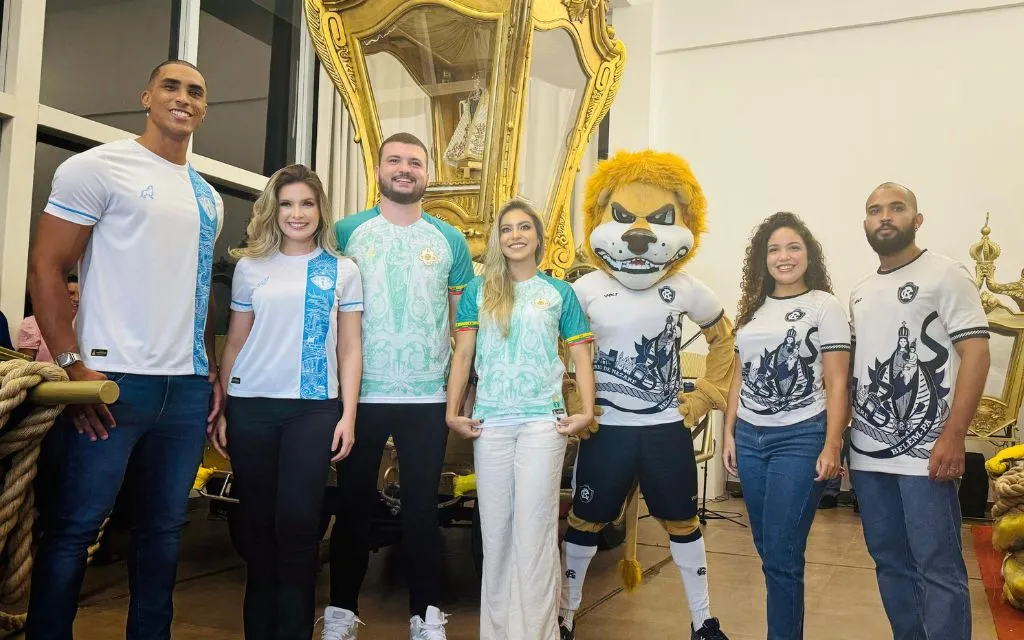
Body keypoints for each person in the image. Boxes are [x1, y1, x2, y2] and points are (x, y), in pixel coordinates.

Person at [25, 59, 224, 639]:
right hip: (111, 383)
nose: (183, 97)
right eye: (171, 86)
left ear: (204, 109)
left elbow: (191, 290)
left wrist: (206, 375)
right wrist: (71, 370)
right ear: (146, 97)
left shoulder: (207, 196)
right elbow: (47, 266)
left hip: (185, 391)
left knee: (163, 531)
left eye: (196, 91)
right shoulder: (97, 168)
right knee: (75, 528)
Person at [560, 150, 733, 640]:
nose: (639, 234)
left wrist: (706, 395)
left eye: (659, 220)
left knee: (683, 522)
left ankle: (703, 620)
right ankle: (566, 614)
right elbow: (557, 351)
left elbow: (725, 339)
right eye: (622, 218)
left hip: (663, 430)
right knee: (587, 521)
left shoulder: (684, 287)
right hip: (606, 430)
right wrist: (576, 403)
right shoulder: (585, 289)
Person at [323, 132, 474, 640]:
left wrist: (465, 389)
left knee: (420, 513)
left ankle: (425, 617)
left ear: (427, 174)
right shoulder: (346, 232)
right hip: (359, 396)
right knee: (352, 509)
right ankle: (341, 614)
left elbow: (463, 328)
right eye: (395, 160)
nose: (404, 169)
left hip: (427, 397)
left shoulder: (449, 240)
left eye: (414, 162)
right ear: (379, 169)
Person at [210, 164, 362, 639]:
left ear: (321, 210)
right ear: (273, 211)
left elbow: (351, 347)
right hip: (251, 406)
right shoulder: (252, 267)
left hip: (313, 409)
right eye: (287, 204)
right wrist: (225, 406)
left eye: (306, 203)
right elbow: (236, 342)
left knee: (299, 526)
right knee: (256, 530)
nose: (297, 214)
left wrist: (349, 415)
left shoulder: (343, 270)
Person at [446, 199, 596, 640]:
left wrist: (585, 410)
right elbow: (464, 355)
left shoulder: (559, 293)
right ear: (499, 238)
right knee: (495, 534)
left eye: (524, 227)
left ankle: (537, 633)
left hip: (541, 425)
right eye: (507, 228)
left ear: (538, 236)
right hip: (490, 424)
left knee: (534, 531)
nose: (515, 235)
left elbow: (581, 357)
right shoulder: (479, 291)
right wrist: (454, 412)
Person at [849, 182, 990, 640]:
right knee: (890, 563)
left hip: (926, 453)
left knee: (938, 566)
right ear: (866, 224)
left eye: (896, 208)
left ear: (917, 219)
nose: (884, 216)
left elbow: (976, 353)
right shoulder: (861, 291)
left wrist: (953, 437)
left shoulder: (946, 274)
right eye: (874, 210)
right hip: (868, 454)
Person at [722, 212, 850, 639]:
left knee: (781, 552)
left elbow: (836, 381)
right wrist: (729, 433)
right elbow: (738, 376)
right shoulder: (753, 311)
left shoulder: (823, 305)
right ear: (762, 259)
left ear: (808, 254)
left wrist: (833, 445)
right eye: (774, 249)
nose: (784, 256)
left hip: (800, 435)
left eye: (793, 247)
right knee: (769, 549)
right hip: (750, 436)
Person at [19, 275, 79, 362]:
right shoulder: (33, 323)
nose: (77, 299)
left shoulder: (85, 325)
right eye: (71, 293)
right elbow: (24, 363)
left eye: (80, 294)